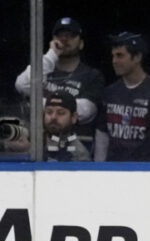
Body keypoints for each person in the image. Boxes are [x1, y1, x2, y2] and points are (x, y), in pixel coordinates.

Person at [15, 17, 105, 149]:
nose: (64, 39)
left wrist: (34, 102)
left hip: (74, 149)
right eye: (60, 35)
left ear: (81, 43)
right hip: (39, 147)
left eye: (71, 35)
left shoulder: (92, 75)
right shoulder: (45, 66)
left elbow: (85, 111)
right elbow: (22, 85)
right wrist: (52, 55)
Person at [94, 32, 150, 161]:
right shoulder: (109, 92)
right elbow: (102, 138)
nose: (114, 61)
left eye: (120, 55)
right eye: (113, 56)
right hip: (112, 172)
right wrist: (99, 170)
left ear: (137, 57)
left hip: (144, 173)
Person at [43, 91, 91, 161]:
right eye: (49, 112)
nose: (53, 117)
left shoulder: (79, 154)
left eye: (61, 113)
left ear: (74, 117)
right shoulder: (32, 142)